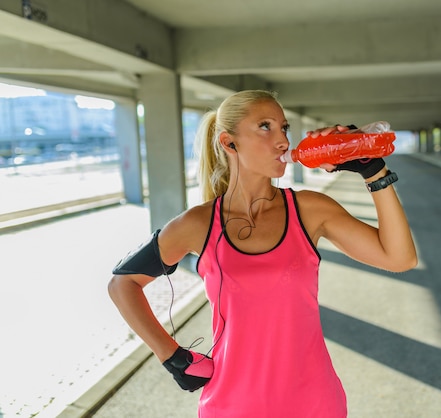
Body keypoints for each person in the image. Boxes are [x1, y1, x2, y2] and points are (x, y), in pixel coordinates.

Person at [108, 90, 417, 418]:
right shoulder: (197, 224)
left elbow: (400, 258)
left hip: (314, 404)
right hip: (231, 407)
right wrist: (172, 356)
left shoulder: (309, 209)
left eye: (284, 128)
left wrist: (374, 172)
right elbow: (122, 285)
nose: (283, 141)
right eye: (265, 127)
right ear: (230, 143)